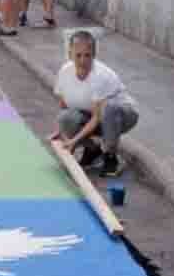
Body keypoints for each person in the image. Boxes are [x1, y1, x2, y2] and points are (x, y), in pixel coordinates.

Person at [51, 30, 140, 175]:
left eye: (87, 55)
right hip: (94, 115)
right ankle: (93, 150)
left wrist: (73, 142)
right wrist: (60, 131)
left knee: (109, 108)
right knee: (65, 118)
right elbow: (64, 106)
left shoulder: (100, 76)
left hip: (122, 115)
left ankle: (111, 157)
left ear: (94, 54)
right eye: (78, 55)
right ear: (69, 54)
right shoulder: (64, 72)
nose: (82, 60)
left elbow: (96, 118)